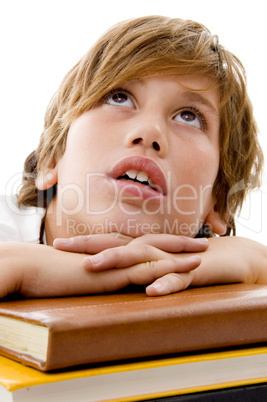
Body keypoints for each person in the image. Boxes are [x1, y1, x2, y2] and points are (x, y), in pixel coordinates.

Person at [0, 15, 266, 299]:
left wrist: (255, 262)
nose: (150, 132)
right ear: (51, 158)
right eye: (119, 97)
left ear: (218, 202)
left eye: (189, 117)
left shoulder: (242, 272)